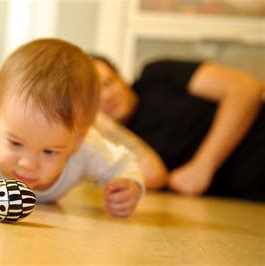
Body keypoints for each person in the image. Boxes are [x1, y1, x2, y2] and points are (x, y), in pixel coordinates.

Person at [0, 38, 145, 217]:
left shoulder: (88, 147)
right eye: (16, 143)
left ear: (76, 141)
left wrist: (129, 186)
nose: (28, 164)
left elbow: (125, 163)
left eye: (49, 151)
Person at [92, 54, 264, 201]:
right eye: (95, 96)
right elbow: (154, 177)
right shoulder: (112, 144)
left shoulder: (155, 76)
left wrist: (203, 166)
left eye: (108, 83)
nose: (106, 96)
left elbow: (246, 88)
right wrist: (102, 122)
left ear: (121, 78)